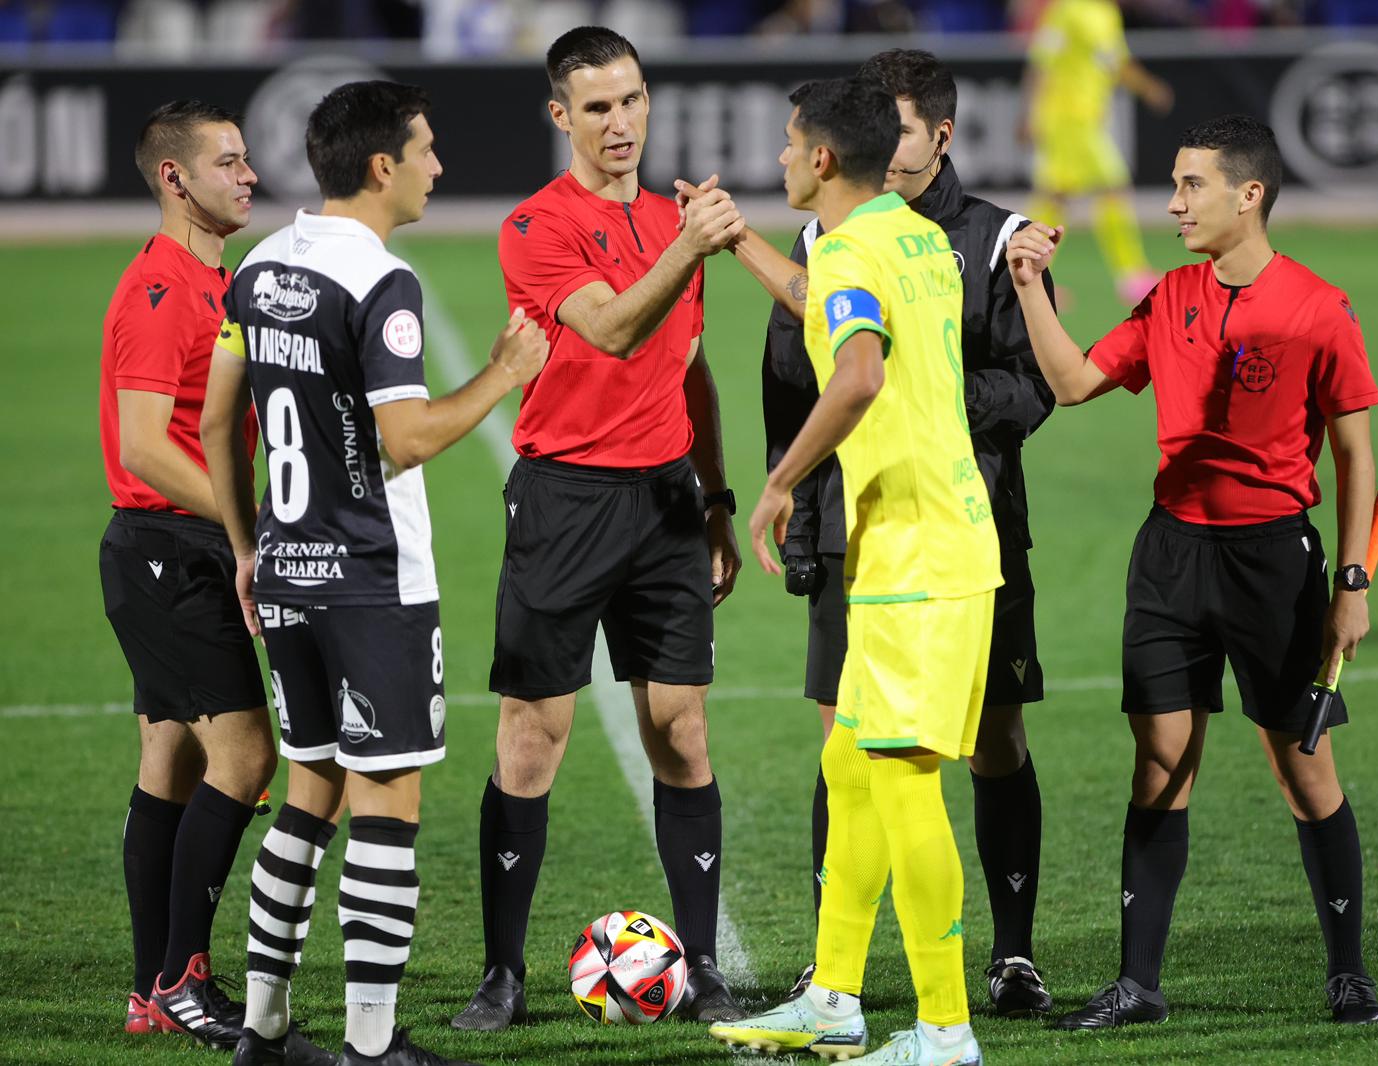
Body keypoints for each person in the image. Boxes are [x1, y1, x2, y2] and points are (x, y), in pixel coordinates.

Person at [683, 47, 1057, 1017]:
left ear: (822, 159)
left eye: (788, 144)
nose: (778, 158)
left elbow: (857, 371)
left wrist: (777, 482)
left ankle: (944, 1021)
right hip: (917, 534)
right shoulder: (915, 240)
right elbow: (821, 308)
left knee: (903, 775)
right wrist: (742, 242)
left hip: (912, 544)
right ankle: (834, 990)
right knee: (852, 762)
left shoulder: (869, 246)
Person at [1004, 114, 1378, 1029]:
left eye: (1191, 186)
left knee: (1304, 772)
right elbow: (1072, 383)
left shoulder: (1318, 308)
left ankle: (1349, 972)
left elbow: (1354, 455)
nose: (1173, 204)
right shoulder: (1170, 295)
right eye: (1174, 185)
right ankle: (1138, 984)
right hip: (1171, 556)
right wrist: (1027, 289)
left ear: (1249, 195)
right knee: (1160, 764)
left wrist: (1352, 585)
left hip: (1272, 562)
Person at [201, 80, 548, 1066]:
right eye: (426, 150)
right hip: (370, 583)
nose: (438, 166)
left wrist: (247, 547)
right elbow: (406, 440)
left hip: (288, 571)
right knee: (386, 805)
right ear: (382, 165)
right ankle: (370, 1042)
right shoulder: (379, 282)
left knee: (310, 789)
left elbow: (217, 421)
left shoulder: (259, 265)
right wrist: (502, 373)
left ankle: (263, 1030)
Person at [451, 25, 746, 1031]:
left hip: (665, 502)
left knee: (683, 729)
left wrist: (716, 499)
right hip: (565, 500)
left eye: (631, 100)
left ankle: (701, 964)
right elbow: (614, 329)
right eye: (596, 107)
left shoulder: (670, 219)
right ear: (560, 115)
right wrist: (689, 245)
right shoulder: (535, 226)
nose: (619, 123)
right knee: (533, 738)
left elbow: (691, 366)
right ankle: (502, 974)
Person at [98, 98, 274, 1049]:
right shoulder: (162, 289)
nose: (250, 176)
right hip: (171, 551)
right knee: (246, 758)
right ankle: (182, 978)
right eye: (229, 162)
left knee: (169, 762)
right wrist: (249, 526)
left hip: (171, 549)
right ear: (175, 177)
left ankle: (149, 989)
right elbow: (142, 446)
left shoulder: (218, 281)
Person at [1019, 0, 1173, 306]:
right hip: (1071, 120)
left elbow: (1108, 63)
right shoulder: (1079, 12)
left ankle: (1024, 276)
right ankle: (1132, 274)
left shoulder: (1091, 12)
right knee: (1112, 187)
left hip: (1075, 120)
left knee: (1055, 196)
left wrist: (1031, 113)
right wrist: (1150, 88)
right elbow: (1046, 62)